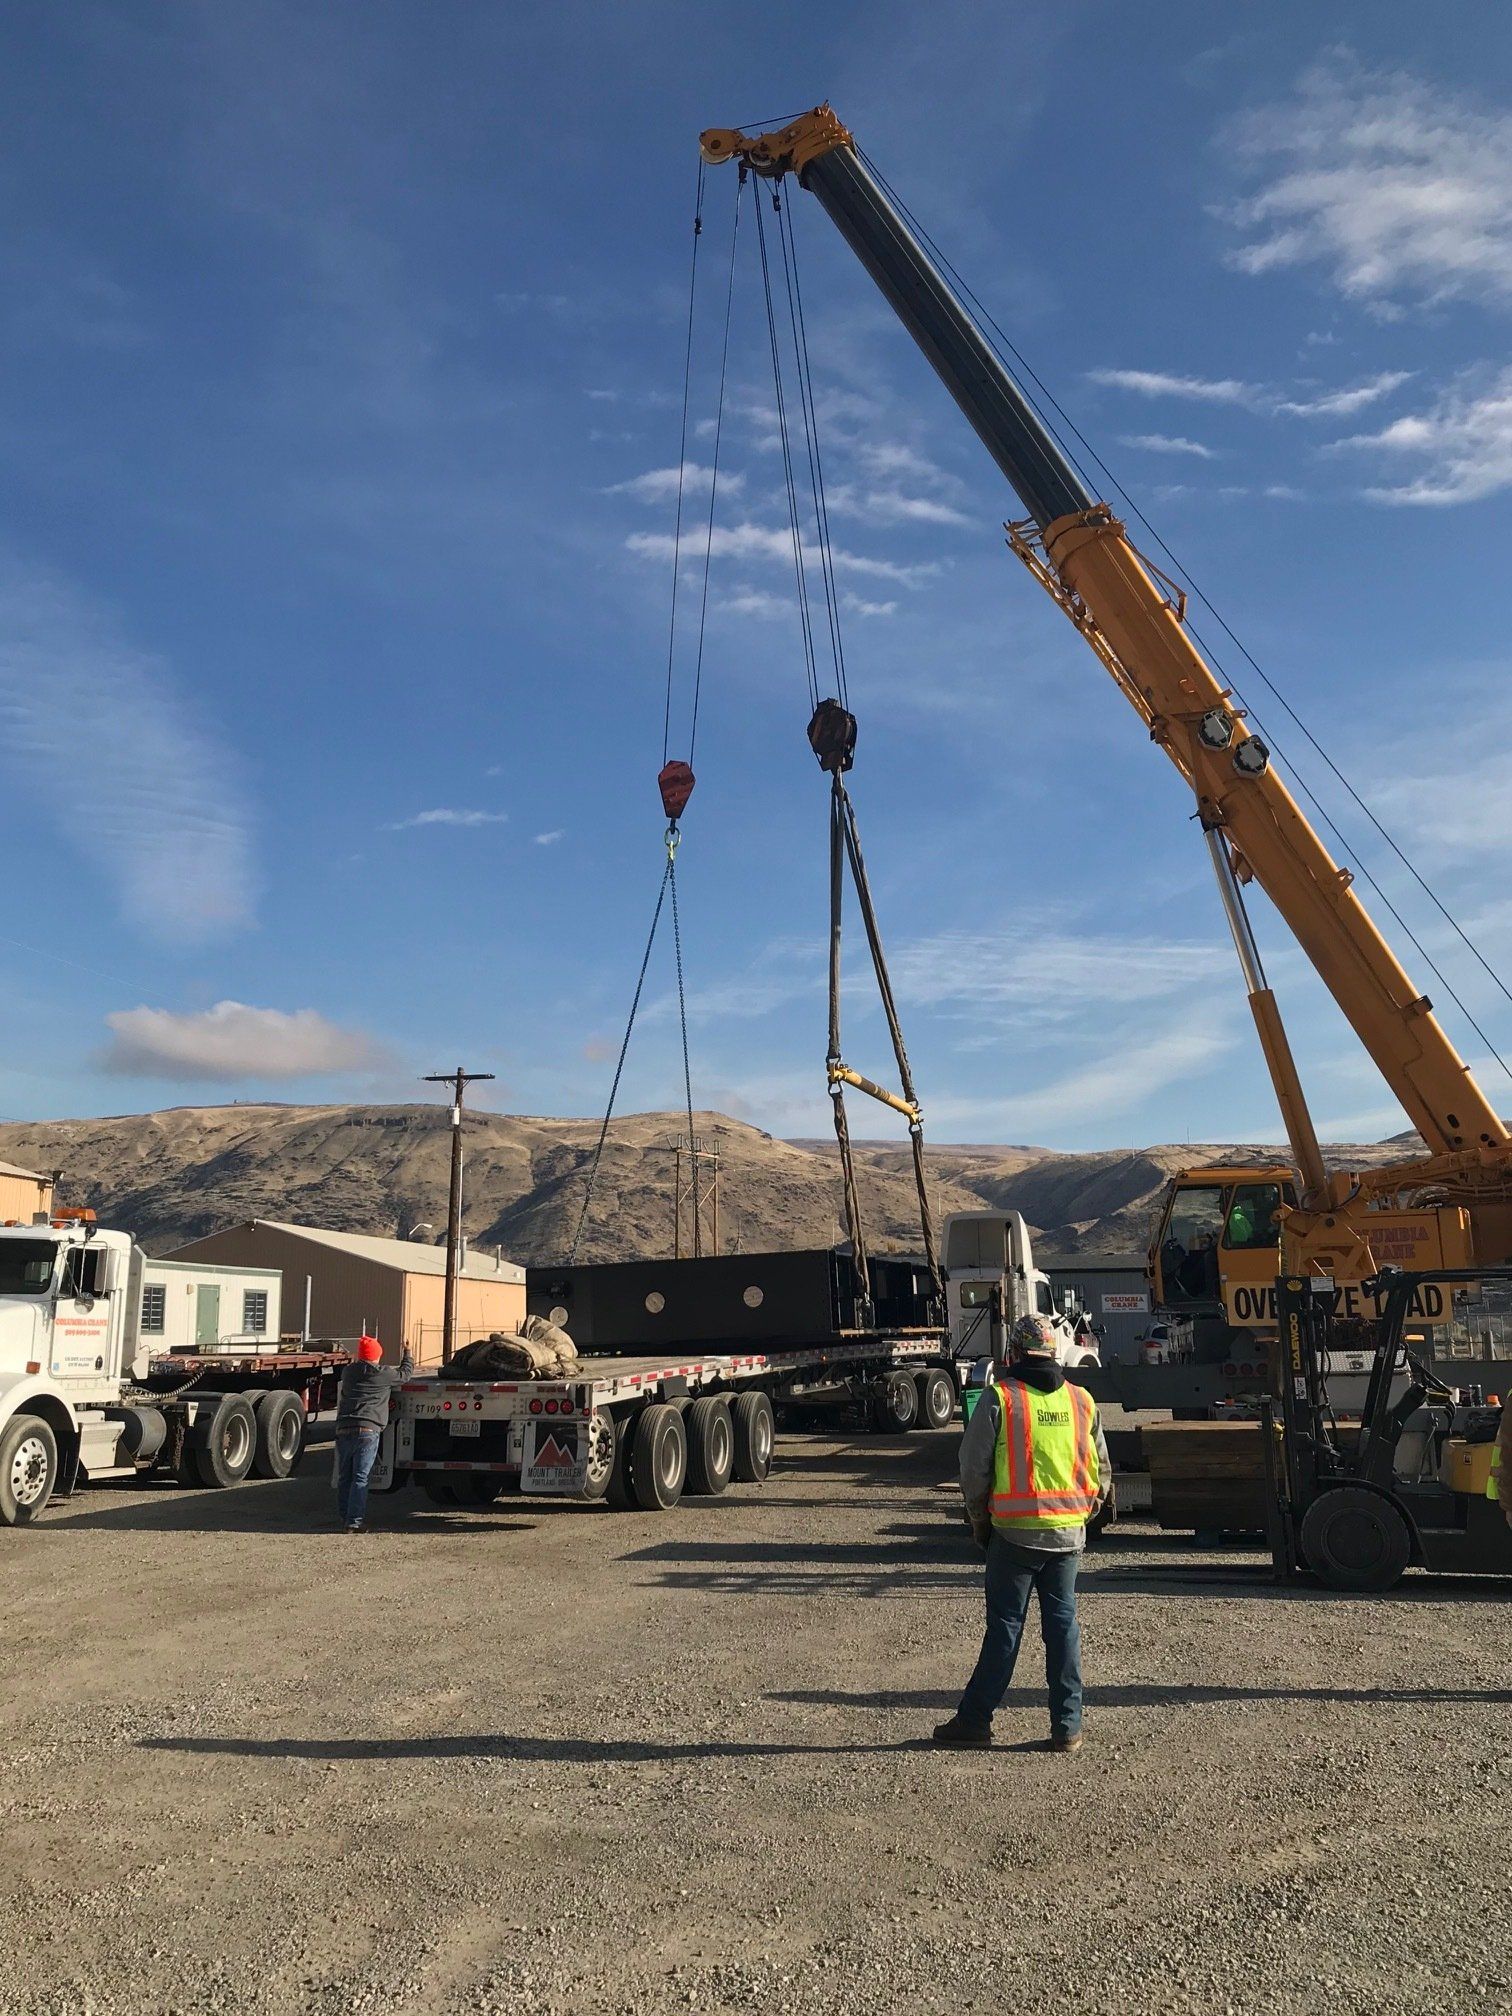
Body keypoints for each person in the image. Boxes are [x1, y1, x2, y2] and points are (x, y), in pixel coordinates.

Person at [934, 1311, 1111, 1753]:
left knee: (1005, 1629)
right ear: (1053, 1352)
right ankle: (1067, 1727)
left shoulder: (1001, 1398)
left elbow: (973, 1469)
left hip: (1013, 1536)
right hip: (1068, 1535)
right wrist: (1084, 1512)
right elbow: (1102, 1469)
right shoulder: (1081, 1400)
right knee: (1063, 1627)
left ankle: (975, 1721)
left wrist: (979, 1520)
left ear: (1013, 1352)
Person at [333, 1334, 408, 1533]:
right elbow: (405, 1374)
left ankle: (345, 1517)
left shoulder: (348, 1372)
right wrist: (407, 1354)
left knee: (345, 1477)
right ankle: (354, 1522)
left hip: (343, 1428)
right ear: (377, 1355)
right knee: (361, 1477)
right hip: (368, 1430)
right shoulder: (383, 1374)